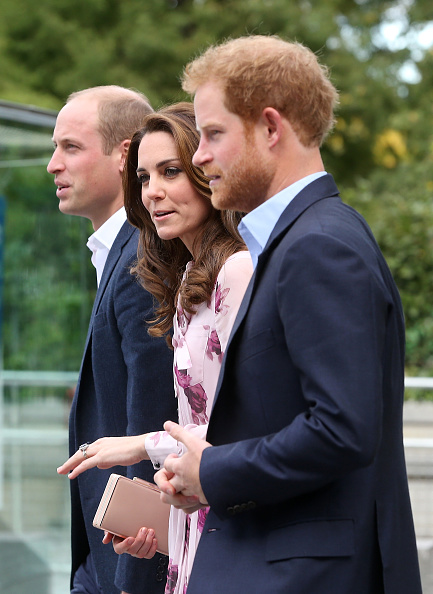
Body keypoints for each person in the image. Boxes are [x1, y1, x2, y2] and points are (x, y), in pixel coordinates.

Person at [153, 36, 423, 594]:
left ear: (271, 128)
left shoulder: (319, 245)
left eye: (213, 134)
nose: (199, 156)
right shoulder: (303, 240)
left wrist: (215, 472)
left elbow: (343, 429)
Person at [57, 103, 253, 594]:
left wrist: (142, 445)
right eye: (144, 178)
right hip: (188, 522)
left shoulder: (238, 271)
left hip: (232, 532)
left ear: (208, 172)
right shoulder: (186, 278)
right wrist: (156, 513)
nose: (153, 192)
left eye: (171, 172)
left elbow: (248, 425)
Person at [49, 85, 177, 594]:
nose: (54, 164)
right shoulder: (120, 251)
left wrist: (130, 581)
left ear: (126, 153)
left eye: (71, 147)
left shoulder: (142, 260)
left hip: (125, 564)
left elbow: (153, 414)